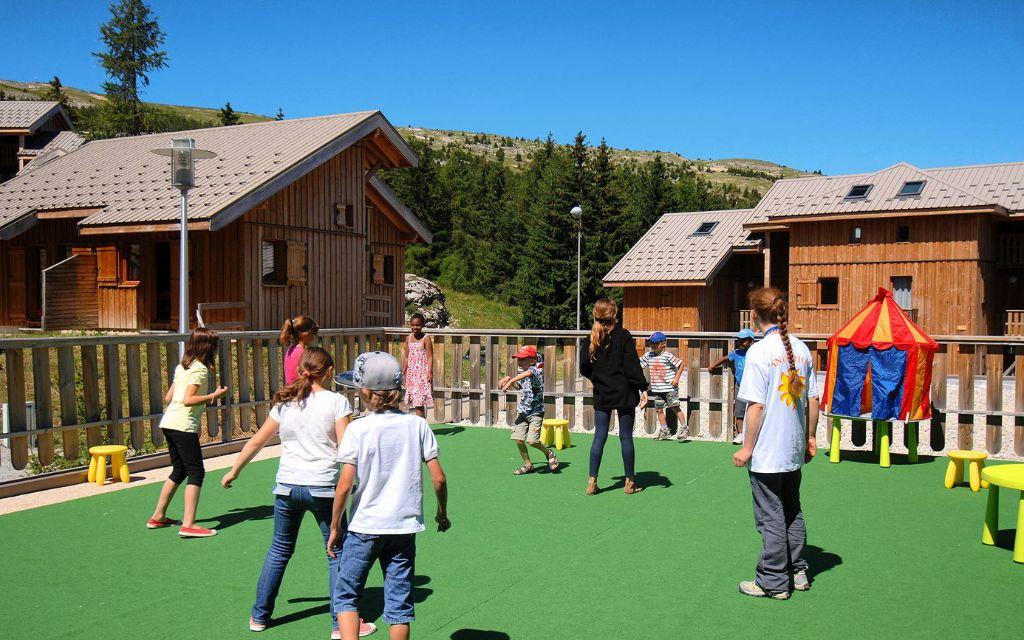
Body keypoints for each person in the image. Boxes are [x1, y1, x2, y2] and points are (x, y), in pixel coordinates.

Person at [220, 347, 376, 637]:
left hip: (287, 487)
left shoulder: (286, 403)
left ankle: (259, 616)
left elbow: (256, 441)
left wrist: (234, 471)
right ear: (329, 372)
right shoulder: (337, 402)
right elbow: (347, 449)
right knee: (336, 552)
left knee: (279, 550)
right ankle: (339, 624)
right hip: (323, 487)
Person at [328, 351, 451, 640]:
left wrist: (335, 527)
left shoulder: (357, 429)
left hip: (364, 526)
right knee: (399, 604)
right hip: (403, 528)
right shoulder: (418, 425)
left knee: (346, 596)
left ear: (365, 392)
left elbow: (344, 485)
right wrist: (441, 513)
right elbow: (439, 478)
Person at [732, 287, 820, 600]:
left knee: (771, 516)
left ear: (755, 316)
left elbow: (755, 406)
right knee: (792, 510)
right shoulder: (801, 348)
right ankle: (797, 570)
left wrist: (747, 447)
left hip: (768, 451)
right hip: (793, 447)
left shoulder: (759, 352)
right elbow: (812, 399)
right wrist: (810, 437)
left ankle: (772, 580)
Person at [146, 327, 228, 538]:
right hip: (183, 425)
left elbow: (169, 397)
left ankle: (158, 516)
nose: (217, 349)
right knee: (196, 472)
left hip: (169, 422)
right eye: (215, 345)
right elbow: (188, 399)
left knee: (179, 470)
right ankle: (189, 524)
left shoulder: (182, 367)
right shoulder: (200, 369)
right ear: (208, 347)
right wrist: (214, 396)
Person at [580, 299, 649, 496]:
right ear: (614, 314)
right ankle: (629, 483)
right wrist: (643, 388)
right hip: (625, 392)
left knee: (599, 436)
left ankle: (592, 482)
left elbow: (584, 367)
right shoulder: (623, 335)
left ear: (595, 315)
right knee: (625, 436)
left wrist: (597, 378)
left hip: (602, 393)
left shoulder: (590, 338)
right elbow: (632, 366)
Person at [498, 345, 559, 475]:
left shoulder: (534, 371)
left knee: (532, 441)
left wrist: (511, 380)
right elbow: (519, 387)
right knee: (519, 440)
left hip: (535, 413)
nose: (519, 361)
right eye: (518, 358)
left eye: (522, 358)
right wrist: (509, 379)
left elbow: (528, 374)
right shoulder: (523, 374)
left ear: (531, 361)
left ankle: (549, 453)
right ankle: (528, 465)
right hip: (523, 413)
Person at [710, 328, 756, 445]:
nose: (741, 342)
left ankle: (755, 435)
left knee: (755, 410)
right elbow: (725, 359)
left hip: (755, 386)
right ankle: (740, 434)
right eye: (739, 340)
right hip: (740, 385)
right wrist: (713, 366)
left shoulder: (757, 353)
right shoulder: (736, 353)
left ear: (751, 341)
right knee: (739, 411)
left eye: (744, 340)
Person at [639, 331, 687, 441]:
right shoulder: (649, 355)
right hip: (657, 389)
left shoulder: (667, 356)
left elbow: (681, 364)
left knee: (675, 407)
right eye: (651, 343)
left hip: (670, 388)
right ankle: (665, 430)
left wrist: (676, 378)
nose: (652, 345)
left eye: (655, 343)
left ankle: (684, 428)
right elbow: (638, 364)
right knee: (659, 409)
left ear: (663, 344)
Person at [401, 313, 434, 418]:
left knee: (419, 403)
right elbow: (407, 357)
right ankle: (417, 423)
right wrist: (403, 372)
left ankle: (421, 423)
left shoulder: (426, 338)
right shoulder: (408, 338)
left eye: (418, 325)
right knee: (414, 402)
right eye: (413, 325)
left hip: (422, 374)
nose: (415, 327)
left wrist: (430, 372)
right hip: (412, 374)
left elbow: (430, 357)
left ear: (422, 325)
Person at [281, 315, 319, 385]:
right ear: (306, 334)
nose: (315, 337)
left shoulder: (290, 350)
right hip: (301, 390)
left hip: (290, 389)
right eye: (314, 333)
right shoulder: (304, 353)